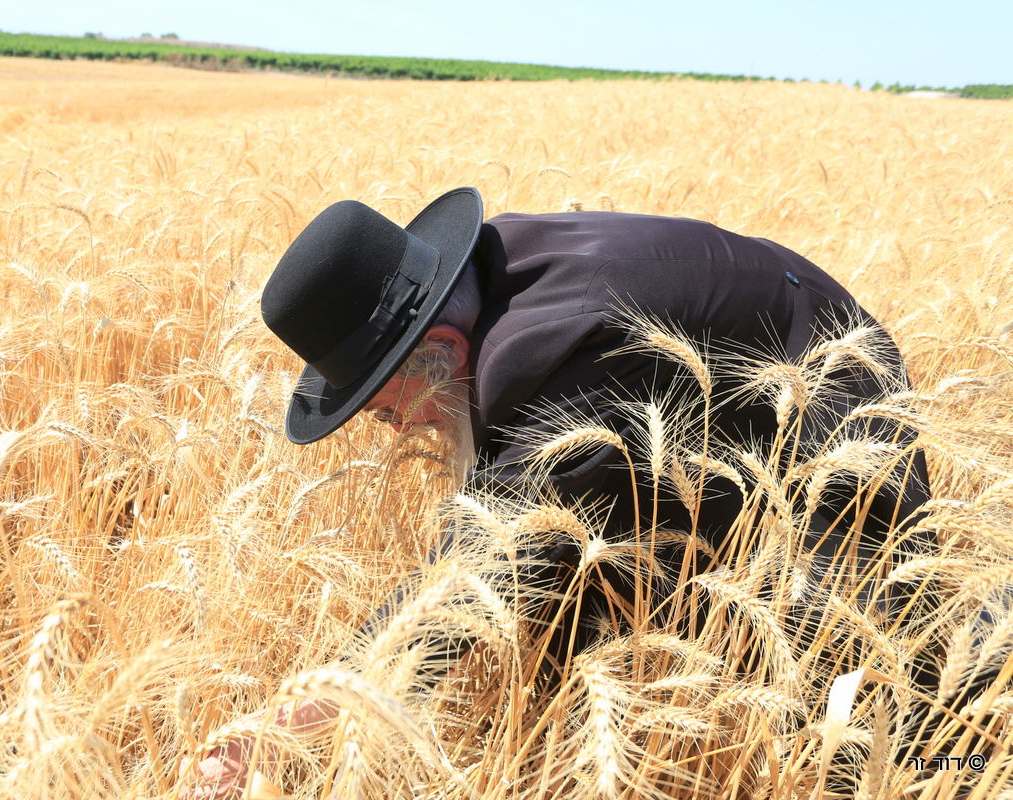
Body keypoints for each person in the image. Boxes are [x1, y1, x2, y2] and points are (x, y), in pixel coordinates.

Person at [180, 187, 937, 798]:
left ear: (440, 351)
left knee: (838, 684)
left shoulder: (549, 355)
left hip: (829, 395)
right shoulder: (480, 282)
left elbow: (472, 587)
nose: (394, 430)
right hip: (723, 370)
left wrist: (280, 735)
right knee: (591, 591)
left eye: (384, 406)